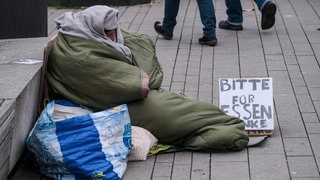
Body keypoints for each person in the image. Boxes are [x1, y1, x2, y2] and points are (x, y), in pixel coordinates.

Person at [43, 5, 253, 152]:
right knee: (184, 116)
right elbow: (141, 85)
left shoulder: (83, 32)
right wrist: (138, 76)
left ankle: (218, 127)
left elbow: (141, 46)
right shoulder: (81, 55)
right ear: (96, 28)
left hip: (122, 102)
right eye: (107, 34)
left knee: (188, 110)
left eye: (112, 33)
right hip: (114, 107)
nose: (112, 38)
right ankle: (218, 132)